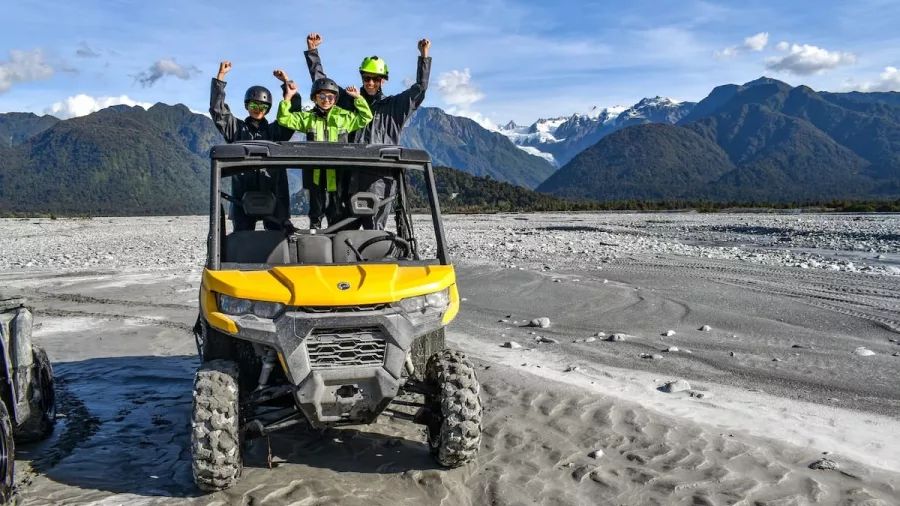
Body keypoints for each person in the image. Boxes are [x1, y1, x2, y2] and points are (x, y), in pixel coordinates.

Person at [299, 33, 431, 230]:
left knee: (374, 232)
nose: (370, 83)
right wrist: (312, 51)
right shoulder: (348, 101)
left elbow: (419, 89)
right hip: (349, 177)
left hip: (380, 178)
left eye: (375, 79)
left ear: (382, 81)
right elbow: (322, 84)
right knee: (341, 232)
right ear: (362, 78)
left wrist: (423, 56)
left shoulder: (395, 106)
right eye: (367, 78)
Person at [209, 61, 303, 231]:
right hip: (242, 196)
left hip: (274, 193)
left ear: (268, 109)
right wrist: (220, 77)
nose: (257, 109)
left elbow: (294, 114)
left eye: (262, 106)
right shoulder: (236, 129)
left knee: (276, 245)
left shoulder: (276, 131)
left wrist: (286, 82)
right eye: (253, 105)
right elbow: (218, 111)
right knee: (242, 242)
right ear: (246, 106)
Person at [275, 77, 373, 229]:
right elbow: (283, 118)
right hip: (315, 176)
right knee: (316, 214)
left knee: (336, 214)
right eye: (321, 96)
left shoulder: (344, 117)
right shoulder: (307, 118)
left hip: (338, 176)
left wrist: (358, 98)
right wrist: (288, 97)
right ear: (314, 98)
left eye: (330, 96)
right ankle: (314, 245)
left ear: (335, 99)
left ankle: (335, 245)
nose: (326, 100)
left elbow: (366, 117)